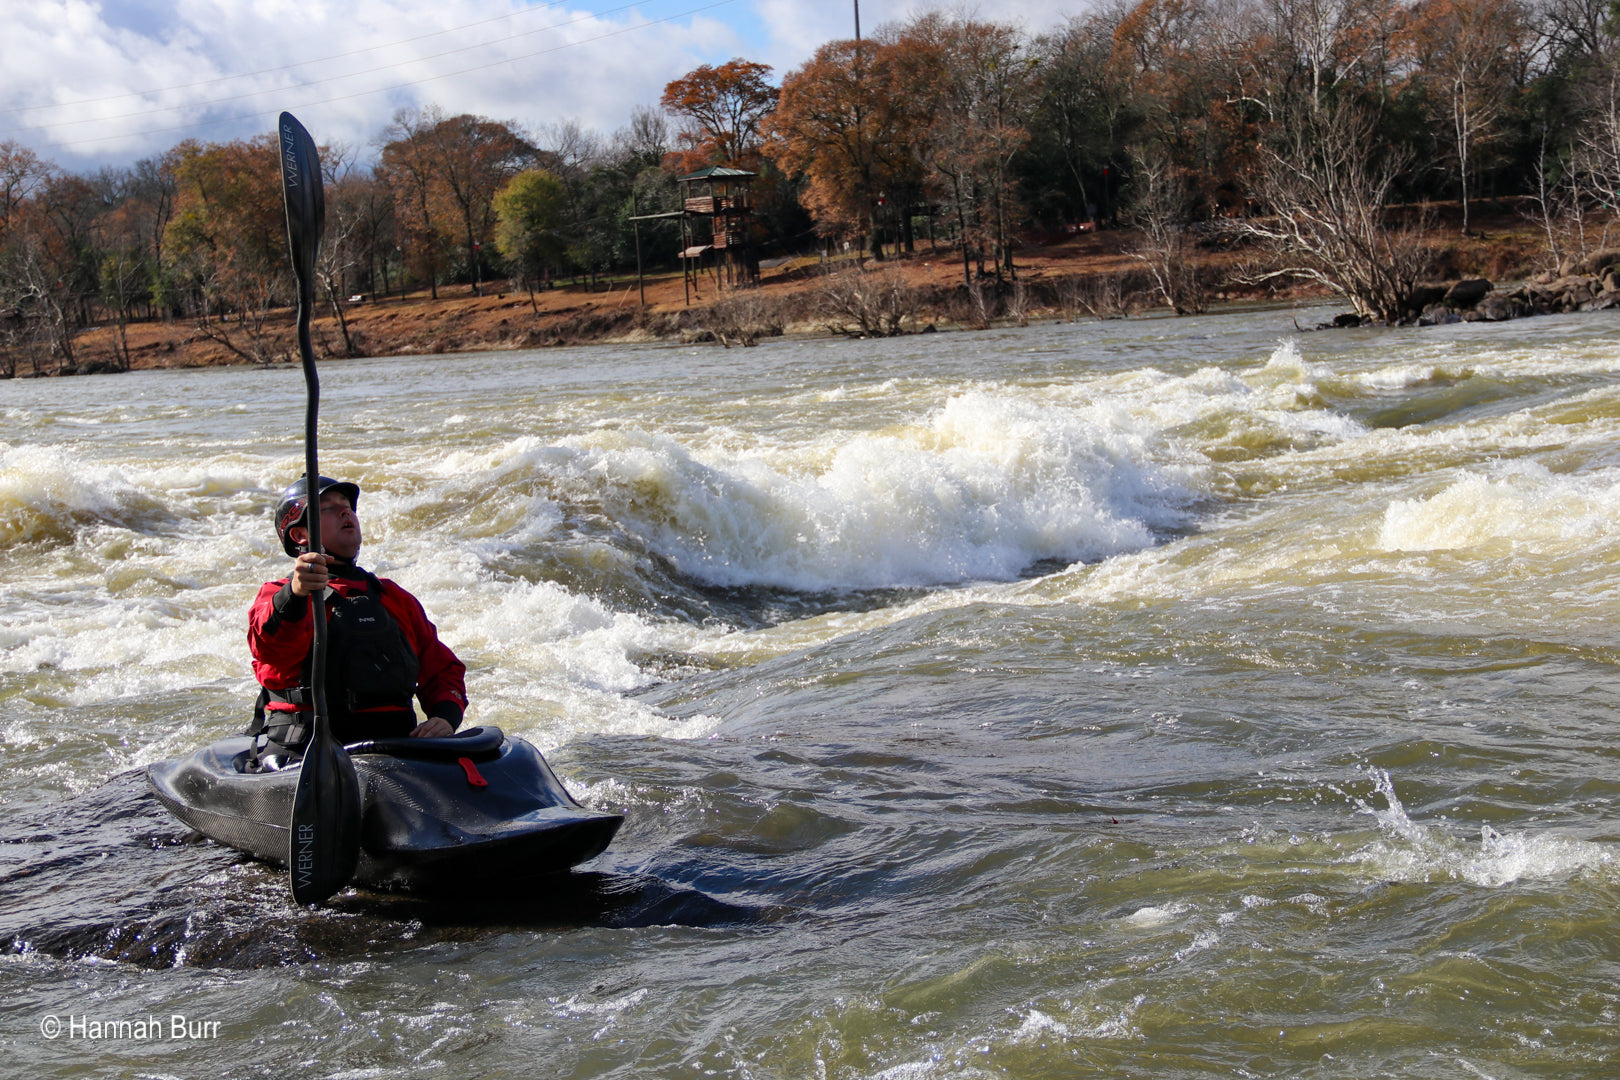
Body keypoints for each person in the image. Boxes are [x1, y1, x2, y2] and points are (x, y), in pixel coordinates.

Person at [247, 476, 467, 756]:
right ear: (300, 534)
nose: (345, 511)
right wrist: (296, 593)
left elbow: (442, 669)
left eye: (347, 505)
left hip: (394, 745)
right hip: (311, 749)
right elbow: (272, 650)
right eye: (327, 506)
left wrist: (445, 716)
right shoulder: (280, 595)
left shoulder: (392, 596)